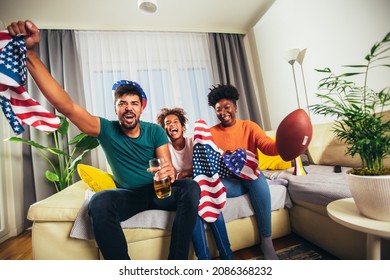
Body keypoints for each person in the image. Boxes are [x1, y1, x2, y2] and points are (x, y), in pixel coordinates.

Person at [7, 20, 200, 260]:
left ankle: (177, 264)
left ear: (142, 109)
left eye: (134, 104)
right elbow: (65, 106)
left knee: (191, 187)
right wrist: (31, 54)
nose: (128, 108)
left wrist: (169, 171)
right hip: (129, 195)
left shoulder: (155, 131)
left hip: (157, 192)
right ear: (115, 108)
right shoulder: (105, 129)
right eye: (122, 104)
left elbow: (165, 166)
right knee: (98, 201)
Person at [207, 84, 279, 260]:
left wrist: (282, 146)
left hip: (251, 175)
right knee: (210, 188)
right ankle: (255, 189)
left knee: (257, 179)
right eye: (218, 109)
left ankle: (267, 242)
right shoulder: (211, 133)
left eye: (227, 107)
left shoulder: (249, 126)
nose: (223, 112)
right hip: (229, 181)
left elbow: (266, 145)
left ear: (235, 107)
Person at [156, 108, 233, 260]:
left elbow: (214, 159)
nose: (172, 125)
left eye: (175, 121)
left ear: (183, 126)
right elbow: (169, 175)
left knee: (211, 200)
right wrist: (186, 175)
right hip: (187, 192)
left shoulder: (195, 141)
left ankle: (227, 256)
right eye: (168, 123)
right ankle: (204, 259)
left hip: (205, 186)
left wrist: (187, 173)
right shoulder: (165, 150)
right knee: (192, 206)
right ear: (165, 129)